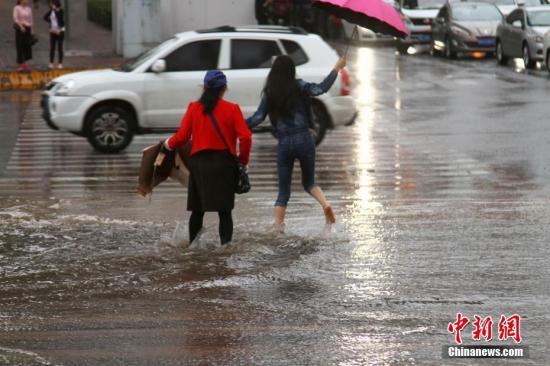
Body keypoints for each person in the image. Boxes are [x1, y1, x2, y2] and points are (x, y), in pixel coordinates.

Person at [247, 55, 346, 227]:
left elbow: (257, 118)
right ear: (292, 70)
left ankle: (278, 229)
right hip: (304, 138)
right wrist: (337, 67)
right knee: (309, 182)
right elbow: (321, 89)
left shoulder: (270, 92)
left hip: (284, 142)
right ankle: (325, 204)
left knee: (283, 192)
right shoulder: (300, 86)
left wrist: (236, 125)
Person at [157, 70, 252, 245]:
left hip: (199, 164)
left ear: (205, 87)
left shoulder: (194, 108)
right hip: (224, 164)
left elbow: (182, 137)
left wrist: (167, 144)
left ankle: (192, 247)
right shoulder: (232, 109)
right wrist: (242, 161)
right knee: (225, 212)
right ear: (224, 88)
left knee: (197, 210)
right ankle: (226, 248)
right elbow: (245, 138)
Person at [44, 0, 65, 69]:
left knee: (60, 47)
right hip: (52, 31)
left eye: (52, 3)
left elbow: (61, 20)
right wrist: (50, 21)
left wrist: (55, 10)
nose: (50, 5)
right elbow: (45, 17)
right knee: (52, 47)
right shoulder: (51, 11)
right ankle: (51, 62)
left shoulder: (61, 11)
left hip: (60, 31)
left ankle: (60, 63)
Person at [13, 0, 34, 71]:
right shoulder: (17, 8)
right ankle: (20, 64)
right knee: (20, 46)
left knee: (27, 46)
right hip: (20, 29)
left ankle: (25, 63)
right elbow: (16, 19)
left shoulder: (29, 9)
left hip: (28, 28)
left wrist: (31, 30)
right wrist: (21, 27)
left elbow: (31, 20)